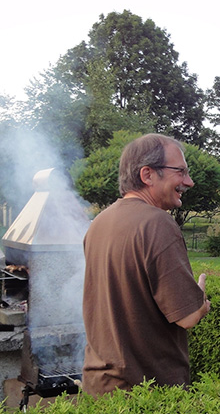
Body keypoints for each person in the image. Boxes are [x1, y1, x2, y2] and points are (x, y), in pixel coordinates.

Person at [82, 134, 210, 398]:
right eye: (180, 172)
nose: (189, 182)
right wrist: (201, 301)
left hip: (98, 386)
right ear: (148, 175)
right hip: (145, 395)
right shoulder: (157, 223)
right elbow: (187, 317)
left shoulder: (99, 223)